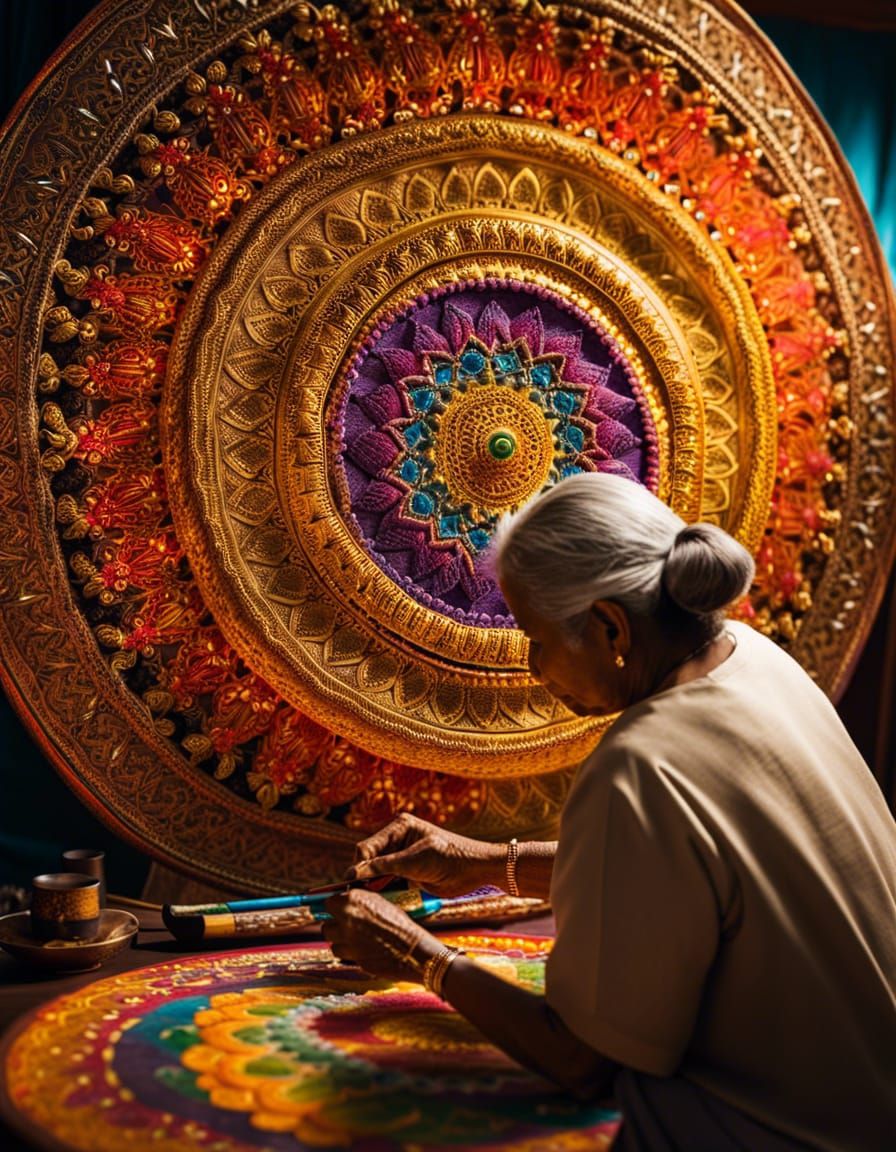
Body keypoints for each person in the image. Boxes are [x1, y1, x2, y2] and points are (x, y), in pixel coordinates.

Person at [322, 472, 896, 1151]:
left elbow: (584, 1060)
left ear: (610, 627)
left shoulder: (641, 760)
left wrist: (421, 956)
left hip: (792, 1129)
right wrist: (477, 861)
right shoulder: (757, 660)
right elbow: (687, 873)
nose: (536, 668)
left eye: (537, 639)